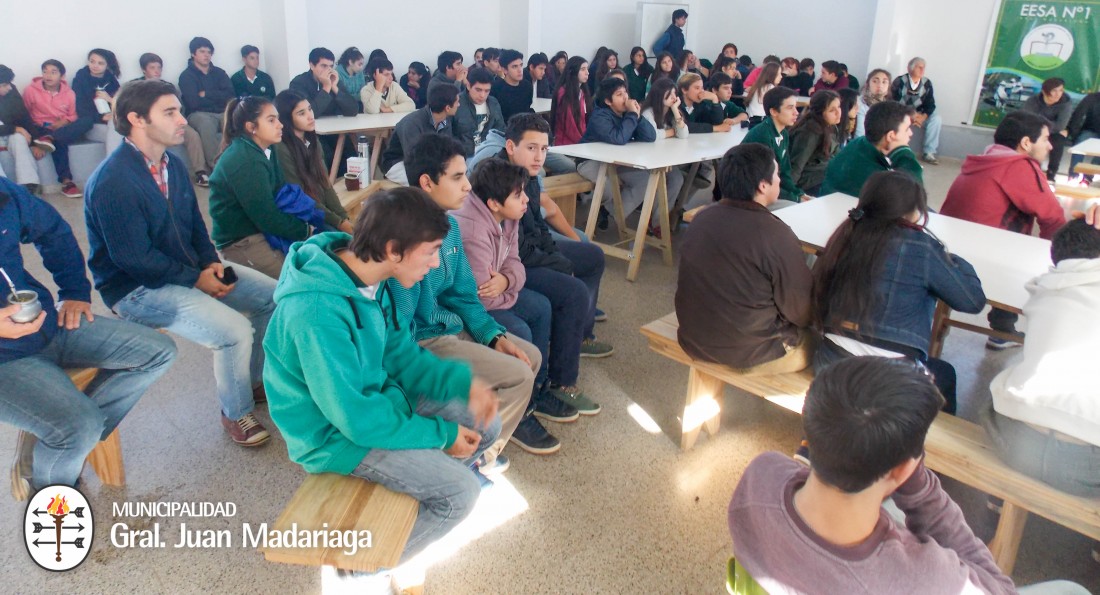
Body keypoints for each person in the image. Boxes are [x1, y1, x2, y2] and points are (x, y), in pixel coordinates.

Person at [262, 186, 502, 564]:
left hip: (377, 401)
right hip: (334, 437)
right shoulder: (315, 314)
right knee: (461, 495)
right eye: (431, 252)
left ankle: (415, 483)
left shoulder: (372, 279)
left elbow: (401, 356)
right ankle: (363, 568)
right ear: (393, 250)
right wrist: (441, 435)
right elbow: (355, 419)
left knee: (487, 423)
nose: (437, 264)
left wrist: (461, 384)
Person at [84, 79, 276, 446]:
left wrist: (208, 263)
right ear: (136, 119)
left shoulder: (171, 163)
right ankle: (235, 413)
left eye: (179, 110)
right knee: (234, 331)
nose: (182, 120)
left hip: (183, 272)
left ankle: (251, 381)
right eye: (170, 112)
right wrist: (196, 278)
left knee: (271, 296)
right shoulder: (113, 180)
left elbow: (194, 224)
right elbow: (133, 260)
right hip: (135, 289)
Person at [729, 357, 1017, 594]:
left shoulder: (762, 474)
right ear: (904, 469)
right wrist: (920, 489)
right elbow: (1000, 589)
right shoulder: (926, 579)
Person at [1, 174, 175, 498]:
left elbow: (52, 229)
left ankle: (53, 442)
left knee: (158, 351)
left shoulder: (4, 193)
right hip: (6, 361)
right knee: (77, 428)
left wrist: (74, 291)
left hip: (46, 326)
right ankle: (50, 489)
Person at [388, 134, 540, 469]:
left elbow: (463, 295)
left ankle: (481, 443)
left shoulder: (450, 228)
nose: (468, 187)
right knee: (519, 376)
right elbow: (400, 332)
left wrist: (492, 336)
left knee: (530, 356)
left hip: (449, 328)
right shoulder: (406, 236)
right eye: (458, 177)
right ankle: (472, 457)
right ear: (427, 182)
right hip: (425, 340)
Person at [811, 171, 986, 412]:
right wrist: (953, 260)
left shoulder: (847, 234)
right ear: (911, 212)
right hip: (891, 374)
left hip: (829, 359)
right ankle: (917, 443)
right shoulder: (921, 247)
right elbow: (971, 301)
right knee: (945, 374)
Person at [453, 158, 583, 454]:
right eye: (518, 195)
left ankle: (536, 392)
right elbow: (482, 297)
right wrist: (508, 286)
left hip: (501, 290)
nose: (526, 199)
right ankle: (519, 414)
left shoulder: (509, 216)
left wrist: (507, 281)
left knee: (542, 307)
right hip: (475, 308)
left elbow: (515, 263)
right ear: (494, 203)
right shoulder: (472, 230)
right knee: (520, 329)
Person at [468, 113, 614, 359]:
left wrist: (557, 256)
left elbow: (538, 224)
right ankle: (563, 371)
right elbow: (519, 248)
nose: (539, 157)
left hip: (526, 250)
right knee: (572, 288)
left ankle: (580, 332)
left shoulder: (530, 175)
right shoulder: (500, 179)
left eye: (544, 149)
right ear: (511, 146)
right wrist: (559, 264)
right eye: (532, 148)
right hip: (513, 260)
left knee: (592, 256)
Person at [984, 208, 1100, 500]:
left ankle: (995, 507)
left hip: (1016, 442)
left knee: (1012, 373)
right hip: (1087, 464)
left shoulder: (1042, 289)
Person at [676, 143, 813, 373]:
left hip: (693, 337)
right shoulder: (775, 233)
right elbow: (801, 311)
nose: (779, 180)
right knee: (818, 343)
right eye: (777, 175)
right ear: (762, 186)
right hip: (744, 351)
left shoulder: (701, 218)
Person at [941, 110, 1064, 348]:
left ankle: (996, 325)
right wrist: (1057, 261)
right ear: (1026, 143)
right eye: (1046, 139)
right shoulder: (1019, 166)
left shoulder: (985, 158)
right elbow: (1053, 217)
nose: (1050, 146)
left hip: (949, 251)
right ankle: (1004, 329)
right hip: (989, 260)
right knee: (1031, 253)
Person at [208, 96, 308, 279]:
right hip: (242, 241)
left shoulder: (268, 148)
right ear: (251, 127)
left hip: (261, 229)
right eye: (271, 120)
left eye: (277, 118)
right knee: (296, 281)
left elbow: (281, 194)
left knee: (312, 262)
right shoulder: (245, 159)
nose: (280, 125)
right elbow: (267, 217)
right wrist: (303, 230)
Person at [578, 78, 668, 221]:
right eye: (619, 95)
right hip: (591, 161)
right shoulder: (599, 116)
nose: (626, 97)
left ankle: (609, 212)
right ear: (608, 101)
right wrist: (632, 115)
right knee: (607, 187)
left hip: (616, 161)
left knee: (644, 181)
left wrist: (637, 116)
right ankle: (595, 214)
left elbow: (650, 136)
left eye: (625, 92)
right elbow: (618, 139)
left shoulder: (627, 114)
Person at [273, 90, 352, 234]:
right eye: (301, 113)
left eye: (309, 109)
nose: (310, 116)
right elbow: (301, 197)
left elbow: (325, 184)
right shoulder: (281, 149)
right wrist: (339, 222)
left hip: (319, 209)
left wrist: (343, 217)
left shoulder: (312, 140)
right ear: (287, 119)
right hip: (301, 215)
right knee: (341, 243)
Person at [130, 54, 209, 187]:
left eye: (159, 67)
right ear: (144, 70)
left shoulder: (167, 87)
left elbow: (179, 108)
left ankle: (200, 172)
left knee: (192, 135)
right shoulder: (135, 87)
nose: (157, 71)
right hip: (149, 124)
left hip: (172, 121)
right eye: (152, 67)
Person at [821, 101, 922, 196]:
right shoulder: (877, 178)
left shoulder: (859, 143)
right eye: (907, 129)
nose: (910, 133)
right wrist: (903, 151)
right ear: (891, 136)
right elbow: (914, 197)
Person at [22, 59, 85, 198]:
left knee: (70, 130)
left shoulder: (69, 93)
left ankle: (49, 140)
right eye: (45, 71)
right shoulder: (31, 90)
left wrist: (65, 121)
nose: (48, 75)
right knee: (60, 141)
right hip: (39, 128)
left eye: (53, 72)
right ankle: (67, 182)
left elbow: (74, 115)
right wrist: (34, 143)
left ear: (62, 76)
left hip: (61, 127)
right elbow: (24, 114)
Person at [178, 37, 235, 188]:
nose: (206, 55)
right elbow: (193, 102)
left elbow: (230, 95)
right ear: (193, 54)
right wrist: (217, 95)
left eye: (209, 52)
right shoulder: (187, 76)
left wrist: (206, 94)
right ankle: (216, 167)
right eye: (202, 51)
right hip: (198, 114)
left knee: (234, 122)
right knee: (206, 124)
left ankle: (236, 164)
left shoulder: (219, 73)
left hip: (222, 111)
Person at [380, 83, 461, 185]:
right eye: (457, 102)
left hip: (427, 162)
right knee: (430, 183)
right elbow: (412, 158)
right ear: (447, 108)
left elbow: (447, 148)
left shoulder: (446, 121)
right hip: (398, 163)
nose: (459, 105)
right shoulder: (412, 123)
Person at [743, 86, 807, 203]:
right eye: (790, 108)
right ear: (773, 112)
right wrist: (795, 198)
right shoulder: (763, 135)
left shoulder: (783, 133)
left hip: (768, 189)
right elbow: (763, 181)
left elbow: (785, 172)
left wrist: (798, 193)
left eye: (796, 107)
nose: (796, 113)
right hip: (751, 195)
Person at [70, 49, 125, 162]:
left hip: (112, 123)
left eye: (100, 63)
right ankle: (114, 167)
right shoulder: (80, 79)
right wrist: (101, 117)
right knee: (119, 134)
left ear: (107, 65)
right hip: (92, 125)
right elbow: (80, 109)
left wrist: (109, 99)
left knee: (119, 131)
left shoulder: (112, 81)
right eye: (92, 61)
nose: (95, 66)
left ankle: (114, 167)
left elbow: (122, 105)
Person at [0, 65, 45, 193]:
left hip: (8, 132)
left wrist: (35, 142)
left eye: (9, 83)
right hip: (8, 130)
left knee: (19, 138)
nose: (9, 87)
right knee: (18, 132)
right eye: (4, 84)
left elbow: (23, 116)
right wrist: (15, 128)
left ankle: (29, 183)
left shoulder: (11, 91)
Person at [790, 90, 842, 195]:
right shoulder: (810, 132)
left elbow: (838, 157)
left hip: (824, 175)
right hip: (809, 182)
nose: (838, 112)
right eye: (832, 110)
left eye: (839, 107)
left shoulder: (831, 126)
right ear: (820, 113)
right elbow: (797, 164)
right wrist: (791, 193)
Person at [891, 57, 941, 164]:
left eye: (924, 68)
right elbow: (892, 101)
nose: (922, 70)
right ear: (910, 68)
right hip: (901, 113)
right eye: (919, 67)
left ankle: (929, 153)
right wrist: (909, 115)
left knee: (936, 119)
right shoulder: (899, 81)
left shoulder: (927, 83)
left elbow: (930, 104)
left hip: (919, 115)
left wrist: (923, 117)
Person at [1021, 78, 1074, 181]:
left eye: (1061, 90)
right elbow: (1028, 119)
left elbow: (1060, 126)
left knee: (1058, 141)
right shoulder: (1033, 101)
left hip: (1054, 132)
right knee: (1031, 140)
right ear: (1044, 91)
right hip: (1035, 130)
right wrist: (1046, 125)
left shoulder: (1066, 104)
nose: (1058, 94)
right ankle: (1034, 172)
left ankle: (1051, 175)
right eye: (1054, 90)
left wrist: (1040, 120)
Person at [288, 47, 358, 119]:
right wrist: (326, 87)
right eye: (324, 66)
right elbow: (310, 114)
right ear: (312, 66)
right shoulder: (298, 83)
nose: (328, 70)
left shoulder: (334, 81)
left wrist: (334, 87)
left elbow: (353, 111)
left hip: (335, 126)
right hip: (310, 127)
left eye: (331, 66)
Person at [453, 66, 504, 157]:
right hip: (463, 156)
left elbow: (500, 130)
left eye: (487, 91)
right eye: (478, 90)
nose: (482, 95)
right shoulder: (456, 103)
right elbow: (448, 135)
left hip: (489, 154)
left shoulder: (493, 103)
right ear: (468, 86)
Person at [550, 57, 592, 147]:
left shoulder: (582, 92)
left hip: (579, 142)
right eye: (583, 69)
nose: (587, 73)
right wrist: (584, 143)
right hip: (566, 144)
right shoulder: (563, 93)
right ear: (573, 71)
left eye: (587, 69)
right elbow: (569, 126)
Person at [491, 49, 534, 122]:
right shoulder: (495, 88)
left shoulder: (527, 86)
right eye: (514, 67)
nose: (520, 70)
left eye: (521, 65)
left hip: (524, 127)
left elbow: (527, 109)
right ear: (504, 70)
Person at [1067, 91, 1099, 185]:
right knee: (1080, 142)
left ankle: (1088, 177)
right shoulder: (1092, 97)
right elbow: (1078, 114)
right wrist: (1074, 133)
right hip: (1090, 130)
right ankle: (1073, 176)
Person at [855, 68, 891, 138]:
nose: (880, 85)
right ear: (867, 84)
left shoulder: (888, 107)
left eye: (884, 82)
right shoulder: (860, 102)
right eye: (875, 81)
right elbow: (859, 135)